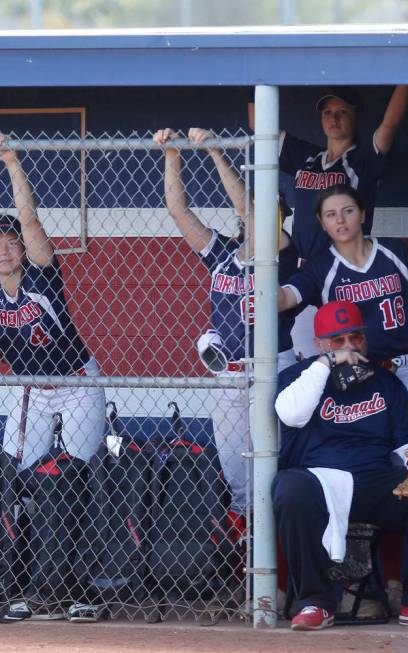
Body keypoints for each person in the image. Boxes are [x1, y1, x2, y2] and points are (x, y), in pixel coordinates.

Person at [0, 132, 106, 619]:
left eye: (12, 243)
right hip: (30, 388)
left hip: (76, 382)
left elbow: (30, 219)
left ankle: (79, 588)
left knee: (74, 475)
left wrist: (12, 161)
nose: (5, 250)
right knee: (21, 480)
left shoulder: (42, 275)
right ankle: (27, 584)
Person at [273, 299, 408, 631]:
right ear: (318, 343)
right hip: (317, 480)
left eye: (355, 338)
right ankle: (315, 603)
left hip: (372, 481)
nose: (349, 348)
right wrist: (326, 364)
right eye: (337, 340)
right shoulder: (298, 377)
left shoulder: (384, 381)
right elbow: (291, 413)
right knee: (290, 488)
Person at [153, 127, 298, 521]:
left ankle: (273, 550)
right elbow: (178, 210)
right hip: (228, 374)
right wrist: (173, 154)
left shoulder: (281, 253)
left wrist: (216, 152)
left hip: (270, 369)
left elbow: (249, 211)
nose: (262, 218)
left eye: (275, 213)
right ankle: (243, 550)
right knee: (235, 470)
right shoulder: (221, 253)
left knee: (271, 463)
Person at [277, 184, 408, 415]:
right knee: (368, 443)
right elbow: (283, 300)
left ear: (362, 214)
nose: (340, 220)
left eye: (348, 211)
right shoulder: (320, 267)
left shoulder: (395, 252)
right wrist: (264, 256)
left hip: (404, 367)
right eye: (331, 215)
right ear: (322, 223)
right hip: (353, 370)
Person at [250, 85, 408, 258]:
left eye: (342, 112)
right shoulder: (306, 156)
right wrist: (250, 78)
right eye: (327, 112)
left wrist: (407, 77)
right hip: (300, 267)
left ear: (356, 117)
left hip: (340, 267)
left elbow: (390, 125)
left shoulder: (362, 160)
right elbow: (259, 127)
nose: (334, 118)